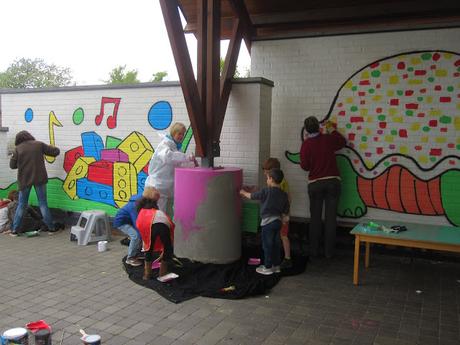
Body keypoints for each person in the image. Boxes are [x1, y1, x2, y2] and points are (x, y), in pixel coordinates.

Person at [300, 117, 346, 259]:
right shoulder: (328, 139)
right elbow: (342, 142)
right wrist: (331, 127)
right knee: (331, 219)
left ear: (307, 130)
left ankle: (314, 251)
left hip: (315, 184)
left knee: (315, 219)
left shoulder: (306, 145)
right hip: (332, 182)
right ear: (319, 127)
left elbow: (305, 166)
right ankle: (329, 253)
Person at [9, 131, 61, 236]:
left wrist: (22, 163)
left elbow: (12, 165)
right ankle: (51, 229)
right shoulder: (39, 145)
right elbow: (55, 152)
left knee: (22, 205)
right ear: (29, 136)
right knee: (43, 203)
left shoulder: (18, 149)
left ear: (18, 140)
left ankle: (14, 230)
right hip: (40, 178)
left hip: (24, 180)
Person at [240, 168, 290, 275]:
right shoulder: (284, 194)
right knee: (276, 244)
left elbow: (252, 196)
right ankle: (276, 266)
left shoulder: (266, 191)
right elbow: (286, 211)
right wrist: (284, 220)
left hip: (268, 223)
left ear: (271, 179)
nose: (267, 180)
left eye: (267, 178)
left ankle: (267, 267)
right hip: (278, 222)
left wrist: (243, 192)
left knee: (267, 245)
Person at [144, 122, 197, 213]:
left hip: (166, 189)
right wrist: (187, 157)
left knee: (167, 215)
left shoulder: (175, 148)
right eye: (179, 133)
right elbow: (169, 157)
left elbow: (179, 164)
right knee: (158, 215)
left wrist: (192, 164)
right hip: (158, 188)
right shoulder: (164, 146)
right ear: (173, 133)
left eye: (183, 134)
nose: (181, 136)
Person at [136, 186, 175, 280]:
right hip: (163, 225)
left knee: (148, 248)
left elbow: (140, 225)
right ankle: (163, 273)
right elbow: (169, 224)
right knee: (167, 248)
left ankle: (147, 274)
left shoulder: (141, 211)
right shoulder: (158, 213)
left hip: (150, 225)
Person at [262, 158, 292, 269]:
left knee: (283, 235)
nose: (265, 173)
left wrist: (285, 214)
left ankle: (287, 258)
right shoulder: (278, 182)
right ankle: (277, 259)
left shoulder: (282, 183)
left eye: (266, 171)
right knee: (279, 236)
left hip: (281, 215)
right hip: (278, 215)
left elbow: (288, 198)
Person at [113, 193, 143, 267]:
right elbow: (136, 223)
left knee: (138, 236)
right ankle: (130, 258)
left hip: (127, 221)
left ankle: (136, 253)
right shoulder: (133, 207)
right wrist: (141, 235)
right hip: (121, 223)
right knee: (136, 236)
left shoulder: (136, 202)